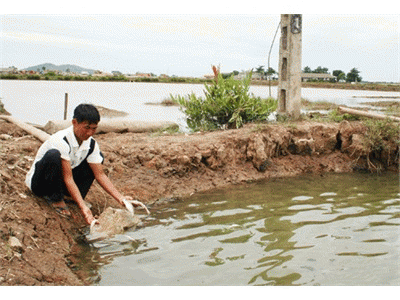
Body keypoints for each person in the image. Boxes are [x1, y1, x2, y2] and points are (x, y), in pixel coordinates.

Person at [25, 104, 132, 224]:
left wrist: (120, 198)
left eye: (94, 128)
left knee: (97, 159)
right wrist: (83, 208)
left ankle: (69, 197)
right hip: (40, 183)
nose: (90, 133)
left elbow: (100, 175)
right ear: (74, 122)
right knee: (53, 155)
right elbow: (68, 177)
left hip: (60, 180)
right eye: (86, 128)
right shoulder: (61, 140)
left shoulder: (91, 144)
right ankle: (56, 199)